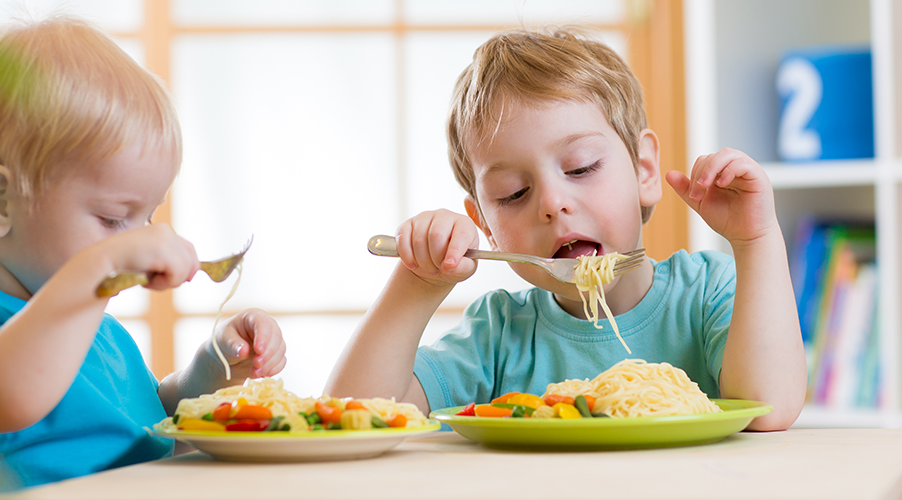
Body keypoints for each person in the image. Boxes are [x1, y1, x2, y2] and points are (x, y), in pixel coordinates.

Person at [326, 26, 806, 431]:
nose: (553, 204)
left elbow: (769, 407)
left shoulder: (705, 294)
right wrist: (418, 283)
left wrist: (755, 239)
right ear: (485, 226)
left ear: (643, 170)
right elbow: (355, 415)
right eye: (514, 193)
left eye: (580, 168)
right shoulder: (499, 335)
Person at [0, 17, 287, 498]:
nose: (137, 240)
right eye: (114, 220)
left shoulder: (102, 332)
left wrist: (213, 366)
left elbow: (151, 415)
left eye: (147, 217)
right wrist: (96, 270)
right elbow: (7, 397)